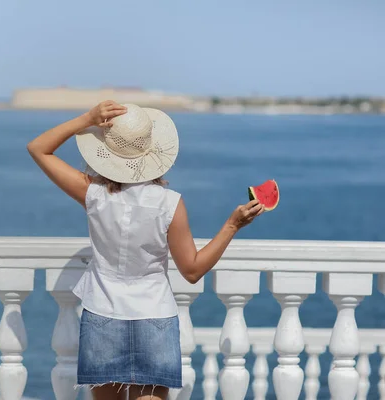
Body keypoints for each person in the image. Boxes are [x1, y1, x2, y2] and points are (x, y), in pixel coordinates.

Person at [27, 100, 264, 400]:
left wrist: (86, 119)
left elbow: (38, 148)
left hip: (102, 311)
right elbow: (192, 270)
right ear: (151, 152)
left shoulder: (94, 195)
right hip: (155, 314)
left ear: (108, 154)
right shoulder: (169, 204)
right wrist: (232, 225)